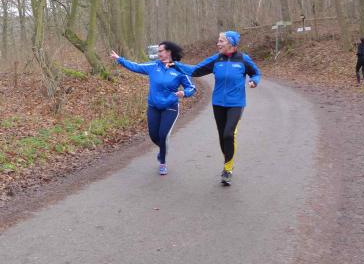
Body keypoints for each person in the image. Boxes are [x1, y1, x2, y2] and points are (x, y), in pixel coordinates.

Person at [172, 30, 260, 186]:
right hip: (218, 103)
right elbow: (195, 71)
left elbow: (255, 73)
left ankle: (228, 169)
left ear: (231, 43)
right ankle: (228, 161)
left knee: (228, 134)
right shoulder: (216, 59)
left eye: (221, 41)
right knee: (222, 137)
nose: (218, 43)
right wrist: (176, 64)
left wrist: (254, 81)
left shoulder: (243, 59)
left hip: (236, 103)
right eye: (218, 41)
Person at [109, 41, 196, 175]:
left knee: (163, 135)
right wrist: (120, 59)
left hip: (170, 106)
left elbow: (191, 87)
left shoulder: (179, 69)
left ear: (168, 52)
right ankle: (163, 147)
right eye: (158, 51)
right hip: (153, 106)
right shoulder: (153, 66)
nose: (158, 53)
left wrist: (185, 93)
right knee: (154, 136)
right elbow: (136, 66)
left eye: (161, 51)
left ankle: (162, 161)